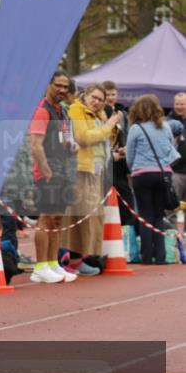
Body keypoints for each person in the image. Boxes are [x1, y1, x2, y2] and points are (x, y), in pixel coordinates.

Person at [59, 84, 122, 275]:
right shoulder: (77, 111)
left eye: (100, 100)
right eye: (93, 97)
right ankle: (74, 261)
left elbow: (102, 140)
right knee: (81, 216)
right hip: (81, 170)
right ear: (85, 96)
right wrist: (109, 125)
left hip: (96, 170)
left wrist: (110, 129)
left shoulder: (98, 115)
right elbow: (84, 137)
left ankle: (76, 258)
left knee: (91, 218)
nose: (96, 102)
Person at [29, 72, 78, 283]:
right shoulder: (42, 111)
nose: (61, 90)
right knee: (46, 218)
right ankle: (39, 267)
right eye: (58, 85)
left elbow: (67, 139)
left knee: (57, 220)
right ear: (49, 85)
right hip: (48, 173)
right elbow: (35, 143)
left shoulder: (64, 112)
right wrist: (46, 170)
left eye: (65, 87)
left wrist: (72, 146)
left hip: (64, 171)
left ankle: (53, 263)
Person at [126, 94, 181, 265]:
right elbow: (170, 147)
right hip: (163, 174)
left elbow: (130, 154)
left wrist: (133, 169)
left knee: (145, 216)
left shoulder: (136, 129)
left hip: (142, 174)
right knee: (158, 215)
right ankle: (161, 256)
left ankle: (147, 256)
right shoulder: (165, 127)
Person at [102, 81, 135, 227]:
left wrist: (126, 150)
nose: (110, 97)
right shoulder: (99, 113)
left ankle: (127, 231)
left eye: (113, 94)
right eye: (107, 94)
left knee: (126, 199)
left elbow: (126, 134)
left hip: (121, 160)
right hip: (104, 161)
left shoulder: (123, 113)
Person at [167, 91, 186, 204]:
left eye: (182, 104)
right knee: (172, 205)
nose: (179, 107)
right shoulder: (168, 122)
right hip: (175, 171)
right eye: (177, 104)